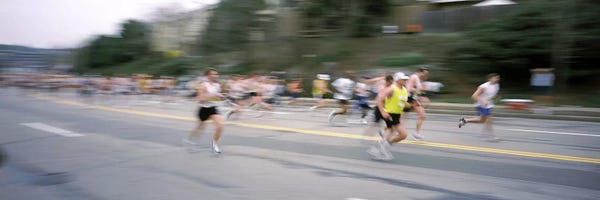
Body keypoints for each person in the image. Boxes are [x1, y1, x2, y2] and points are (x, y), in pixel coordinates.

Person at [368, 72, 411, 160]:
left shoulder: (404, 90)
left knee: (390, 131)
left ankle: (378, 149)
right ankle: (382, 149)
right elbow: (379, 100)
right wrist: (383, 112)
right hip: (390, 114)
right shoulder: (391, 89)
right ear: (398, 80)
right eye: (404, 79)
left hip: (397, 115)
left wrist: (411, 105)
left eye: (406, 79)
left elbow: (402, 102)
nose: (406, 80)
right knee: (402, 134)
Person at [184, 68, 225, 154]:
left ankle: (214, 144)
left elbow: (215, 98)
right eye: (213, 74)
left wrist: (219, 97)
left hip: (213, 108)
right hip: (204, 109)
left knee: (220, 126)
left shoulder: (217, 85)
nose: (215, 76)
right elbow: (200, 100)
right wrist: (213, 96)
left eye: (216, 74)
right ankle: (190, 141)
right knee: (200, 128)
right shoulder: (203, 85)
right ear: (208, 75)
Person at [458, 73, 501, 142]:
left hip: (488, 105)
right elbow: (474, 96)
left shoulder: (496, 85)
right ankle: (491, 136)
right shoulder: (483, 86)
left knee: (482, 120)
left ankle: (465, 120)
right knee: (489, 120)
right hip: (481, 105)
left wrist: (495, 98)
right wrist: (483, 101)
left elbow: (492, 94)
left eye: (498, 78)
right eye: (495, 78)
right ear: (490, 79)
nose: (497, 79)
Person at [405, 67, 430, 140]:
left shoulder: (418, 79)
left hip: (414, 100)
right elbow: (409, 89)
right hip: (408, 99)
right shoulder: (414, 77)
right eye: (425, 73)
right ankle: (386, 130)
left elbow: (417, 92)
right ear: (421, 72)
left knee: (422, 115)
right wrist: (421, 89)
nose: (426, 75)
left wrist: (422, 96)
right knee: (402, 118)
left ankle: (416, 133)